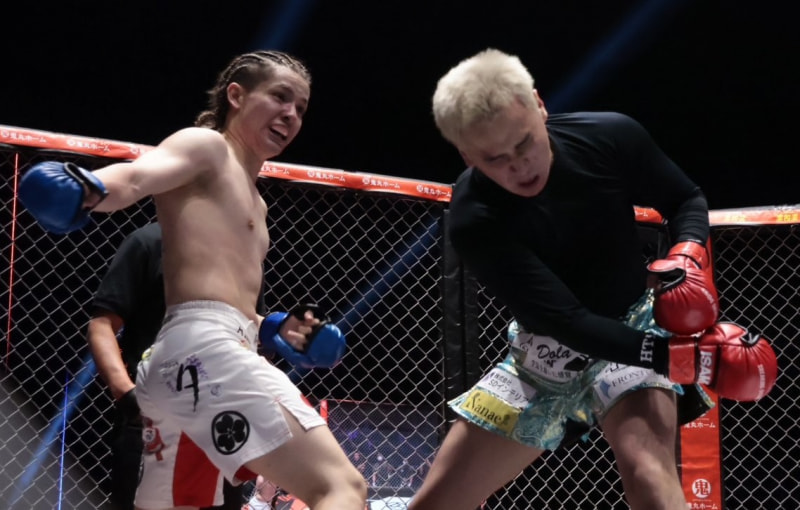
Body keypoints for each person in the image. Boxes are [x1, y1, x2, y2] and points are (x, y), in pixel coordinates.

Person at [409, 48, 777, 510]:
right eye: (495, 158)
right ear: (466, 155)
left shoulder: (608, 136)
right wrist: (677, 358)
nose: (518, 166)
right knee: (434, 505)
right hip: (543, 358)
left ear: (539, 105)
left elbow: (685, 199)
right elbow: (567, 321)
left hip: (634, 325)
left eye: (523, 143)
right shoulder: (473, 218)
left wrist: (687, 253)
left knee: (650, 477)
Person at [19, 49, 367, 510]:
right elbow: (136, 177)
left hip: (185, 362)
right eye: (280, 97)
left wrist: (274, 328)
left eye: (300, 108)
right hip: (208, 352)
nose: (291, 114)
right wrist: (87, 188)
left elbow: (227, 300)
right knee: (341, 488)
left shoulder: (257, 202)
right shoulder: (207, 147)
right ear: (236, 96)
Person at [87, 222, 260, 509]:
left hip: (221, 423)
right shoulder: (149, 242)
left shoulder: (241, 254)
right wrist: (126, 393)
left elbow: (251, 333)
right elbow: (102, 324)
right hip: (155, 419)